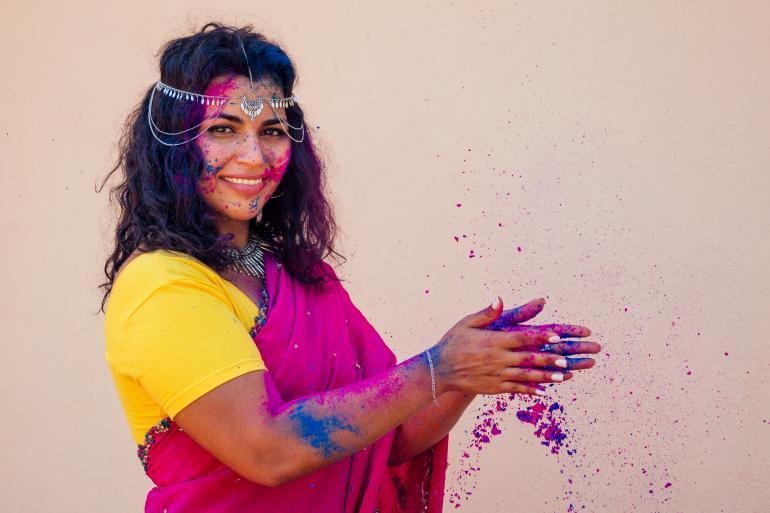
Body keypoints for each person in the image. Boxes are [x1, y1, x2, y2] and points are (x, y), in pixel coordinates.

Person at [100, 23, 601, 513]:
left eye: (271, 131)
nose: (253, 156)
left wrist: (467, 371)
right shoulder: (161, 285)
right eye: (224, 129)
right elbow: (268, 450)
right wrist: (437, 366)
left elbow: (393, 435)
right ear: (172, 144)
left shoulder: (300, 275)